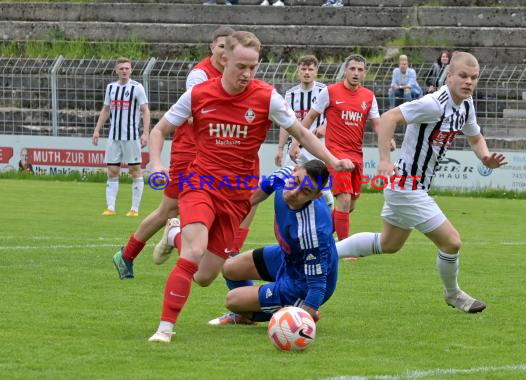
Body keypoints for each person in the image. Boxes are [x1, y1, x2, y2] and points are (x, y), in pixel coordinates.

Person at [145, 31, 353, 343]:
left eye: (253, 67)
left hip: (235, 195)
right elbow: (160, 129)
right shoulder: (199, 94)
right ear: (224, 58)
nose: (247, 74)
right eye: (241, 66)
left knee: (204, 276)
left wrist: (333, 161)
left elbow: (302, 132)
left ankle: (174, 234)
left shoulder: (265, 97)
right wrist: (156, 163)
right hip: (200, 181)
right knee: (195, 250)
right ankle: (164, 329)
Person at [339, 52, 507, 314]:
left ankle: (324, 252)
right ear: (449, 75)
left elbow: (475, 138)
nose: (468, 82)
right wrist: (384, 159)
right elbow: (388, 118)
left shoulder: (466, 105)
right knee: (451, 242)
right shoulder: (433, 104)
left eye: (473, 77)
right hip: (407, 186)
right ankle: (453, 294)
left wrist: (485, 158)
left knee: (389, 244)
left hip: (413, 186)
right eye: (462, 76)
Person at [111, 27, 235, 279]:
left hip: (213, 154)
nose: (225, 52)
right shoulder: (199, 76)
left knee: (212, 205)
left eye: (229, 47)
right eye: (221, 46)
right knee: (169, 209)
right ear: (212, 47)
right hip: (189, 152)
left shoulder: (233, 75)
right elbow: (192, 115)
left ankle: (213, 250)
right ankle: (130, 253)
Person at [208, 160, 337, 325]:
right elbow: (253, 197)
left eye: (305, 191)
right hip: (287, 256)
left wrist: (302, 321)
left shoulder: (312, 230)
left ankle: (294, 309)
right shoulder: (284, 174)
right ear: (294, 170)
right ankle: (260, 309)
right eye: (296, 181)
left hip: (302, 283)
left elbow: (318, 286)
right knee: (229, 267)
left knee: (232, 301)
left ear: (316, 196)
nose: (293, 193)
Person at [291, 54, 380, 241]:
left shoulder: (369, 97)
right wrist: (295, 142)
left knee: (350, 205)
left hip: (356, 155)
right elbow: (309, 117)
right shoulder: (330, 92)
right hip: (335, 154)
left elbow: (377, 124)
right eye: (352, 69)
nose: (356, 73)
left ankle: (315, 235)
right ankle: (344, 249)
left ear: (365, 73)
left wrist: (386, 140)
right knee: (344, 200)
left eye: (360, 70)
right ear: (345, 70)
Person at [92, 57, 150, 217]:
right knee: (112, 170)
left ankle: (134, 209)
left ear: (131, 70)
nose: (124, 71)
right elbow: (106, 110)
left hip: (131, 136)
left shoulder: (137, 88)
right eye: (121, 68)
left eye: (127, 68)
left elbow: (145, 110)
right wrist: (97, 130)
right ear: (116, 70)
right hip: (114, 136)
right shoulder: (111, 88)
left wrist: (145, 133)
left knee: (134, 170)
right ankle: (111, 208)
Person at [274, 54, 333, 209]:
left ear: (316, 71)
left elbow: (334, 114)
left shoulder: (324, 90)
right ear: (298, 71)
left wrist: (325, 127)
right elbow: (284, 122)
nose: (307, 72)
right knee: (286, 181)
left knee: (321, 185)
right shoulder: (290, 94)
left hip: (316, 144)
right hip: (295, 146)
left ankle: (330, 214)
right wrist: (280, 148)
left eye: (310, 69)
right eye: (303, 69)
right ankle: (284, 219)